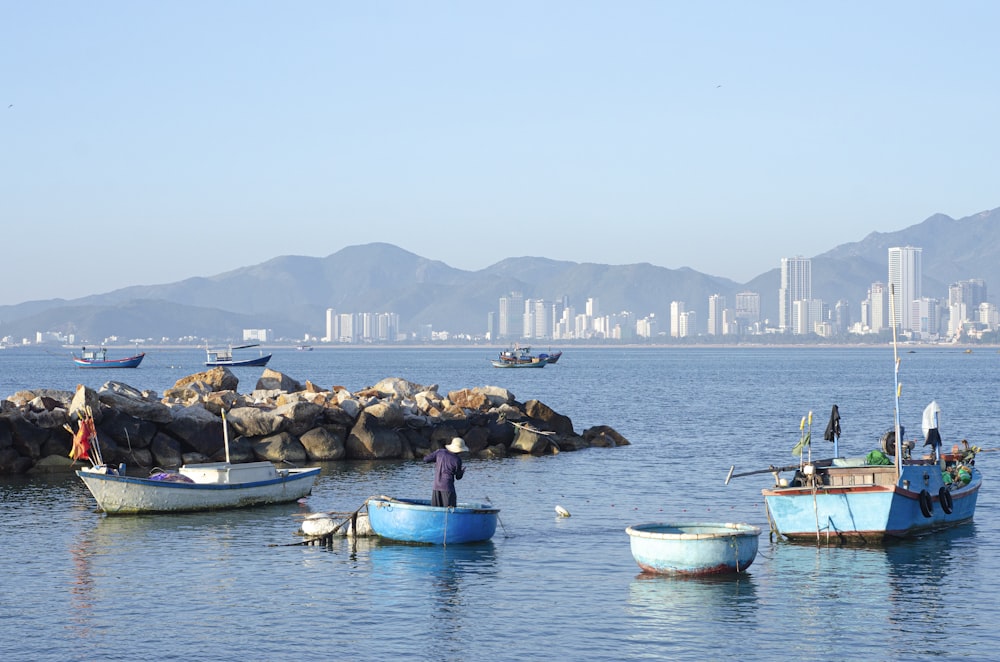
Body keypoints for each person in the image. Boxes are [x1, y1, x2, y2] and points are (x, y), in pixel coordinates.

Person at [424, 437, 468, 507]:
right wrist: (462, 472)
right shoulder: (457, 460)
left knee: (436, 510)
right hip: (448, 489)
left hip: (436, 488)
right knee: (449, 511)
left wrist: (438, 460)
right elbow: (458, 477)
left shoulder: (439, 452)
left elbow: (426, 459)